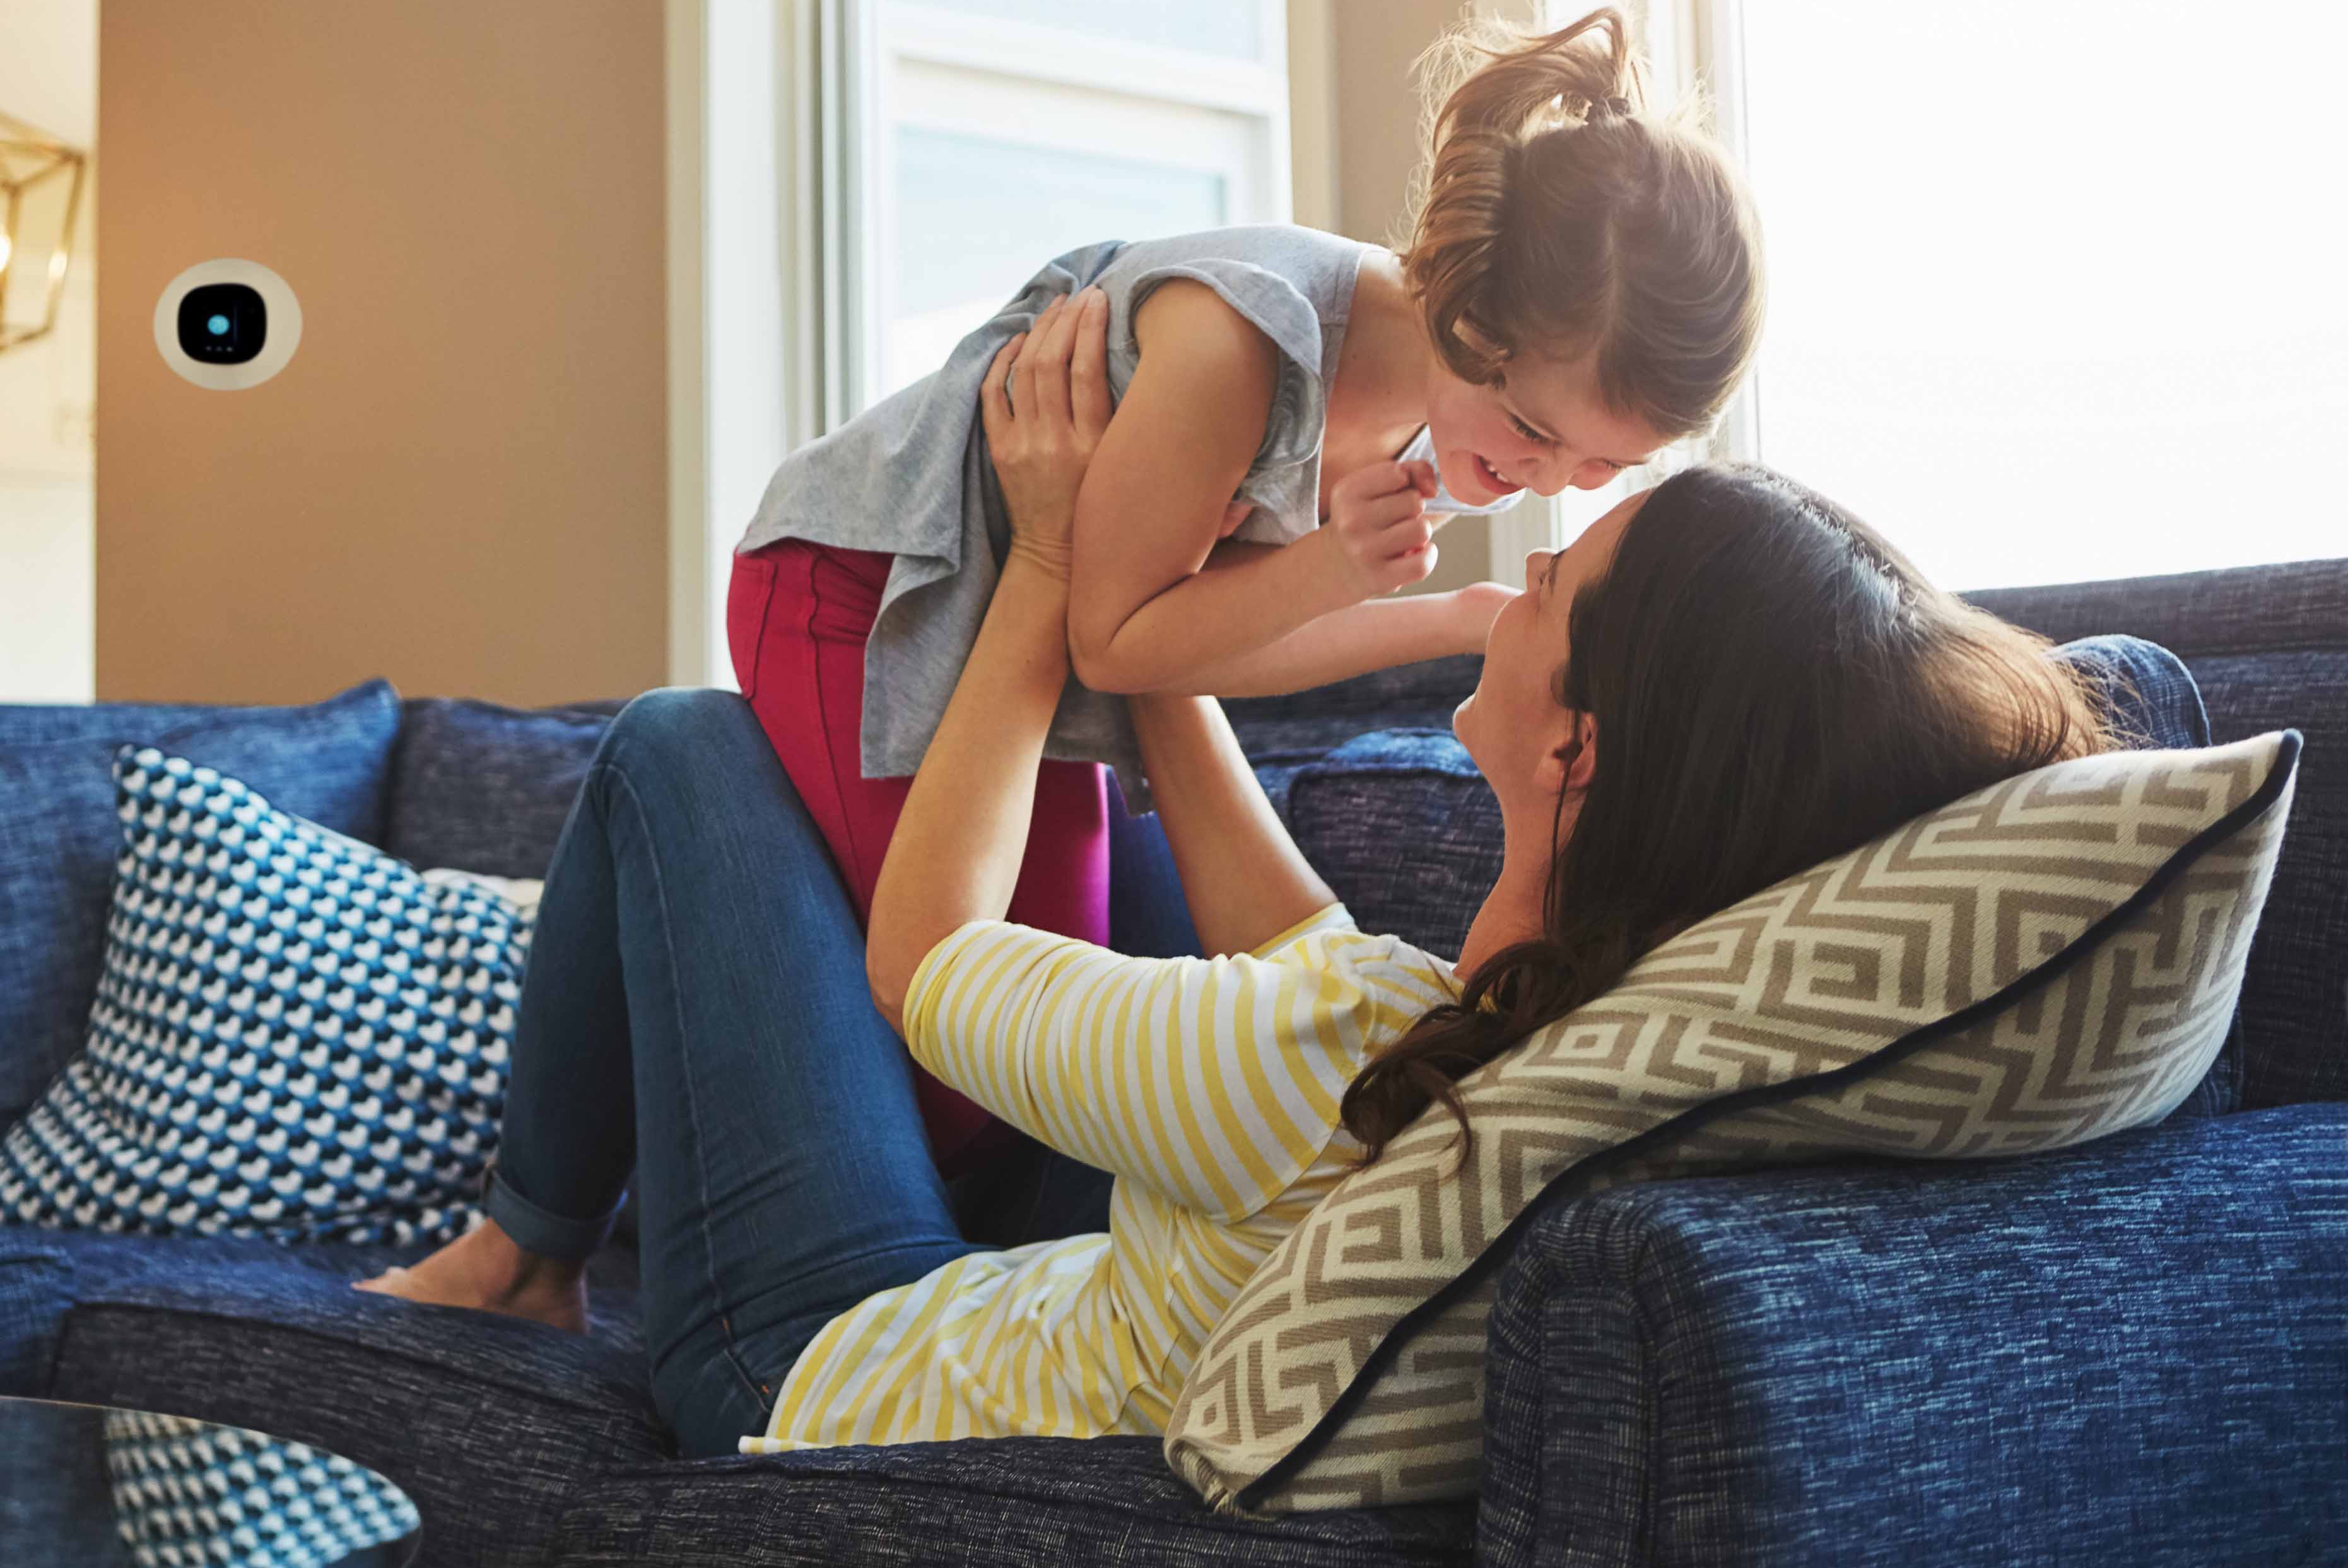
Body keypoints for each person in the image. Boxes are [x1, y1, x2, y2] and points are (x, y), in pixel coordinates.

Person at [363, 291, 2108, 1459]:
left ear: (1574, 749)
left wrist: (1050, 565)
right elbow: (1309, 971)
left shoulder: (1312, 1065)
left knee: (684, 744)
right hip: (1118, 1288)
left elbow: (929, 956)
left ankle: (529, 1245)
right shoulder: (1547, 1035)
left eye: (1561, 586)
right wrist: (1149, 642)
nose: (1525, 570)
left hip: (824, 1357)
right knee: (1121, 832)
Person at [727, 6, 1766, 1171]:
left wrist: (1463, 620)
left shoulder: (1430, 402)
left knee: (1034, 1051)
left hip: (1027, 650)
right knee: (959, 1060)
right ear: (1460, 300)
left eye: (1603, 466)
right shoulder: (1244, 347)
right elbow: (1119, 645)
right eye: (1535, 429)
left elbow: (1186, 645)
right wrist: (1332, 571)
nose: (1549, 483)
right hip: (866, 593)